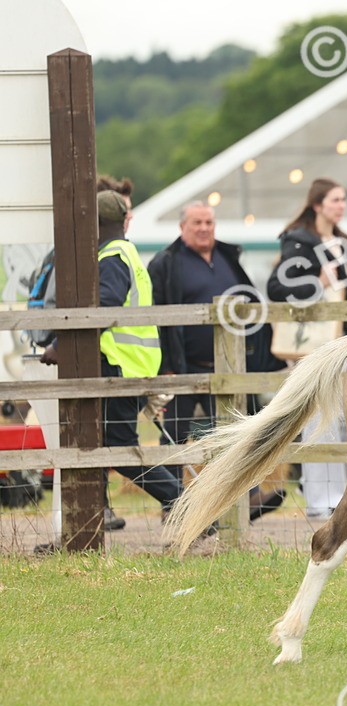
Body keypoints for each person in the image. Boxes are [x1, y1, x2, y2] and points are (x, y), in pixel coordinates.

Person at [39, 191, 216, 553]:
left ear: (97, 224)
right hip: (130, 365)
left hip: (120, 366)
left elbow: (105, 305)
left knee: (118, 450)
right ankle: (81, 531)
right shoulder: (126, 252)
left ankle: (191, 510)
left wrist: (62, 345)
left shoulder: (112, 257)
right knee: (99, 447)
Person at [147, 201, 287, 520]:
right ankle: (171, 505)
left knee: (239, 433)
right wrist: (165, 366)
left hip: (230, 368)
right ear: (182, 227)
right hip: (183, 368)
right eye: (197, 222)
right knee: (174, 436)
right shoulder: (166, 263)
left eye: (209, 222)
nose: (204, 228)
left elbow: (252, 304)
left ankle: (246, 499)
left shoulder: (227, 257)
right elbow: (158, 318)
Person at [267, 178, 347, 522]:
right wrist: (316, 284)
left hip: (342, 342)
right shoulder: (298, 242)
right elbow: (277, 288)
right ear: (319, 204)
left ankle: (341, 496)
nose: (341, 205)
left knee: (343, 419)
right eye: (336, 200)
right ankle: (320, 498)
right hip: (310, 345)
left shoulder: (344, 242)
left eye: (343, 199)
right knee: (319, 419)